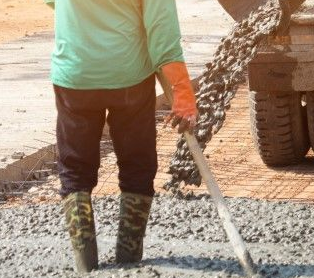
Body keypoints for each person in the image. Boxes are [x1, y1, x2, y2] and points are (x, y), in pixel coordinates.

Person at [44, 0, 198, 272]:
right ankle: (129, 259)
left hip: (75, 74)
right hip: (129, 78)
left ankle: (85, 263)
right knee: (137, 163)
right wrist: (182, 92)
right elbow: (163, 33)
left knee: (75, 167)